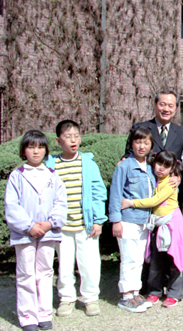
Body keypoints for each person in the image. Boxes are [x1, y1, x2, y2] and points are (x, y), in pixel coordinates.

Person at [5, 130, 68, 331]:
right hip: (24, 235)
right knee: (25, 274)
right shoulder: (17, 176)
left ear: (46, 151)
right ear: (24, 151)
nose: (36, 151)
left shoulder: (52, 176)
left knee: (45, 272)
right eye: (31, 147)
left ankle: (44, 314)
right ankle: (27, 316)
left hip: (48, 233)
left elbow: (61, 203)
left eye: (40, 147)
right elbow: (12, 206)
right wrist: (29, 226)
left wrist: (50, 223)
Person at [45, 120, 107, 318]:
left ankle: (90, 298)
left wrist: (98, 220)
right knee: (64, 265)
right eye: (68, 136)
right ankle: (66, 298)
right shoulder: (50, 164)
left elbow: (98, 192)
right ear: (58, 141)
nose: (73, 140)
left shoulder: (88, 163)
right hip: (61, 227)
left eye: (76, 136)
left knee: (89, 264)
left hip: (85, 224)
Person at [121, 151, 183, 309]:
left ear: (172, 168)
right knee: (156, 261)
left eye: (166, 166)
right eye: (159, 164)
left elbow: (155, 200)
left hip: (172, 227)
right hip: (156, 227)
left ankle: (174, 293)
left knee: (174, 260)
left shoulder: (170, 183)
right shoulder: (151, 178)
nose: (161, 168)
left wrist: (131, 203)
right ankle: (155, 291)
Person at [109, 127, 156, 313]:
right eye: (138, 142)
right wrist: (115, 220)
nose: (141, 146)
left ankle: (135, 292)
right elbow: (115, 194)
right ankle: (126, 296)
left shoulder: (151, 166)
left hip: (144, 221)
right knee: (128, 259)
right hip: (128, 220)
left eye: (145, 142)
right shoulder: (124, 166)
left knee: (138, 259)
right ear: (132, 144)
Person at [122, 90, 183, 164]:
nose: (166, 109)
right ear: (155, 105)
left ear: (176, 109)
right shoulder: (139, 128)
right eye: (162, 104)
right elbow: (129, 154)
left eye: (170, 106)